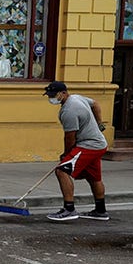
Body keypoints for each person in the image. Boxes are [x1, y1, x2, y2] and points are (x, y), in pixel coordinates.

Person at [42, 81, 110, 221]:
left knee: (62, 171)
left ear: (64, 93)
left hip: (88, 145)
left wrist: (66, 155)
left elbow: (70, 138)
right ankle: (100, 211)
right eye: (49, 95)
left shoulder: (69, 111)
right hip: (99, 143)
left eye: (54, 95)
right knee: (93, 177)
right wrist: (99, 124)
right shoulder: (77, 98)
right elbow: (95, 104)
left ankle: (69, 209)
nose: (51, 98)